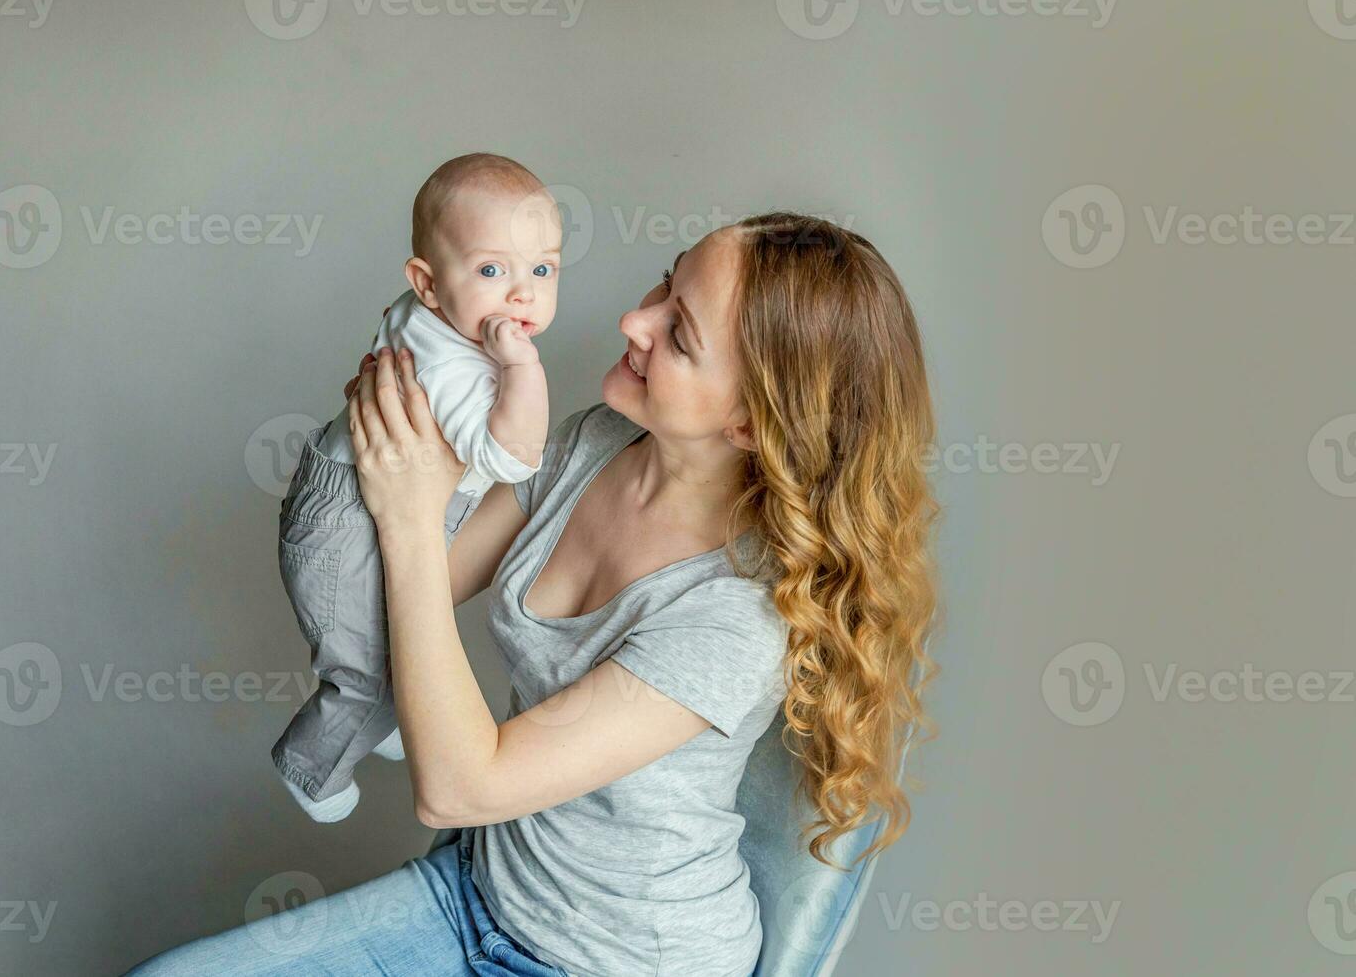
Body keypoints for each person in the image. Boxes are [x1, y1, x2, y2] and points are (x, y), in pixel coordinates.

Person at [124, 212, 940, 977]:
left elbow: (458, 788)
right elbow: (404, 597)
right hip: (476, 895)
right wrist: (404, 427)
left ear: (751, 425)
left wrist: (411, 516)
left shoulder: (734, 618)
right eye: (664, 285)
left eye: (679, 333)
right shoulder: (600, 439)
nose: (635, 319)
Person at [271, 153, 560, 822]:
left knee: (401, 634)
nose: (523, 293)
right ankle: (310, 769)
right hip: (348, 521)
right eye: (493, 270)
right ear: (427, 285)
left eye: (542, 269)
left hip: (350, 489)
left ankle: (391, 715)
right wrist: (524, 372)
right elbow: (510, 458)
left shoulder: (432, 317)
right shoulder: (463, 370)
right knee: (368, 668)